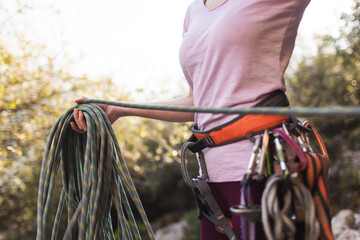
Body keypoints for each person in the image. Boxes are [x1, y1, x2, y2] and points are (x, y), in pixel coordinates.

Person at [71, 0, 311, 239]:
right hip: (211, 184)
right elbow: (197, 102)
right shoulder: (194, 11)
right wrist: (118, 109)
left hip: (262, 169)